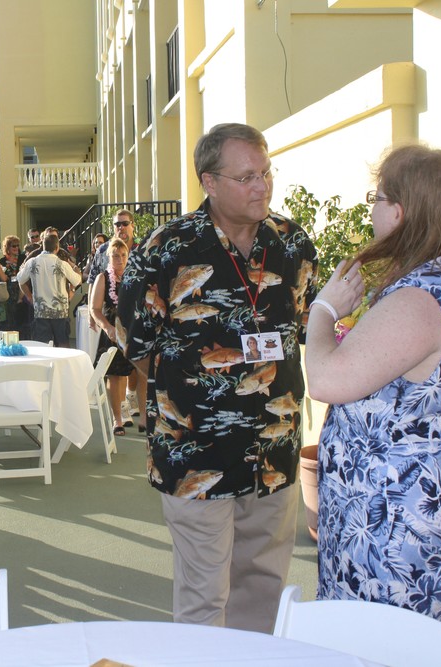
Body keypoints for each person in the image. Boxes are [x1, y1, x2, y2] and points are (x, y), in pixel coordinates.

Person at [116, 122, 318, 632]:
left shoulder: (293, 245)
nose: (262, 186)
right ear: (209, 181)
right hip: (196, 454)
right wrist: (194, 391)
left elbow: (306, 326)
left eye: (266, 172)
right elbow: (137, 344)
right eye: (247, 177)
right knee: (204, 599)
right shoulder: (166, 250)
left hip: (273, 450)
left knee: (263, 588)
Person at [305, 145, 441, 644]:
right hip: (435, 502)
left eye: (377, 198)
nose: (372, 209)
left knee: (384, 648)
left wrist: (323, 310)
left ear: (400, 210)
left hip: (402, 523)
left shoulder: (422, 296)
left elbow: (326, 378)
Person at [88, 209, 145, 428]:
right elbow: (94, 289)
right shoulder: (103, 257)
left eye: (124, 223)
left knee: (139, 370)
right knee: (116, 372)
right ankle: (119, 415)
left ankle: (138, 408)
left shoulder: (140, 255)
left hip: (134, 326)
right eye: (117, 224)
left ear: (132, 225)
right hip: (112, 324)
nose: (120, 227)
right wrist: (102, 323)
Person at [88, 237, 134, 435]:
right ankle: (117, 419)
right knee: (114, 375)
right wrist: (107, 327)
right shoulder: (103, 278)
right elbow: (95, 308)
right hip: (113, 333)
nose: (120, 259)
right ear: (109, 257)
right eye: (115, 256)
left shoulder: (133, 276)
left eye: (123, 255)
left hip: (132, 332)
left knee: (132, 373)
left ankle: (129, 408)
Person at [17, 233, 81, 347]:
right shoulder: (62, 264)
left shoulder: (32, 262)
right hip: (60, 311)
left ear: (43, 246)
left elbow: (20, 280)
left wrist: (29, 296)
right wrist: (75, 270)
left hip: (40, 311)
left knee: (42, 346)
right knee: (63, 345)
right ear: (57, 247)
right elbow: (77, 281)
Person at [0, 235, 26, 332]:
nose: (16, 248)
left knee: (20, 321)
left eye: (17, 245)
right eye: (13, 246)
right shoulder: (2, 261)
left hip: (20, 290)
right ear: (7, 247)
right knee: (8, 320)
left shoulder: (23, 258)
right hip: (8, 292)